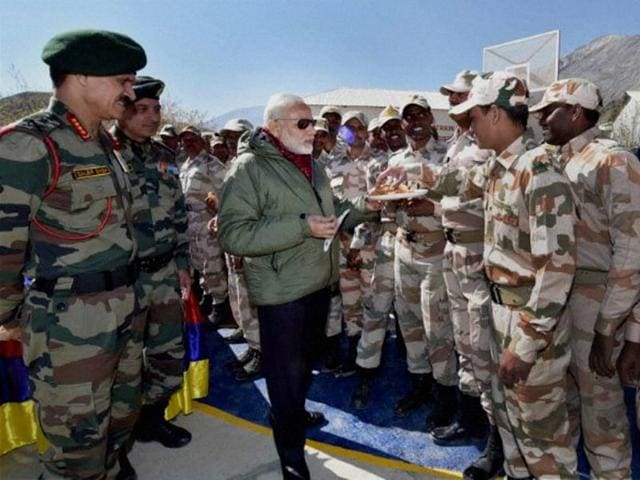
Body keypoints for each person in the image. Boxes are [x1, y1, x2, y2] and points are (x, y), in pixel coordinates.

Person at [380, 72, 579, 479]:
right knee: (511, 430)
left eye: (473, 117)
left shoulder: (538, 172)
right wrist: (412, 175)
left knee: (542, 442)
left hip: (530, 326)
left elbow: (556, 269)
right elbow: (458, 179)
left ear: (494, 114)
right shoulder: (500, 167)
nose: (468, 126)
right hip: (500, 314)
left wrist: (525, 345)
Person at [0, 29, 147, 479]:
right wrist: (9, 314)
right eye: (122, 80)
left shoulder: (102, 141)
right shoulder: (30, 143)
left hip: (123, 306)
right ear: (80, 76)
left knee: (119, 422)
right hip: (70, 323)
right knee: (77, 451)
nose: (130, 91)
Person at [218, 93, 378, 479]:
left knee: (304, 367)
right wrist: (301, 227)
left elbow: (335, 210)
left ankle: (292, 413)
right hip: (282, 294)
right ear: (273, 127)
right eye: (303, 123)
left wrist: (374, 202)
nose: (314, 130)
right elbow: (233, 235)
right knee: (285, 377)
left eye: (315, 124)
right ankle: (292, 459)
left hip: (318, 287)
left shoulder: (313, 166)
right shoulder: (248, 169)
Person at [532, 78, 639, 479]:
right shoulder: (556, 159)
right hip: (559, 300)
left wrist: (610, 327)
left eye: (549, 110)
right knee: (567, 403)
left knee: (603, 415)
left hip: (598, 300)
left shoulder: (612, 161)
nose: (541, 118)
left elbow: (633, 251)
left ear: (576, 112)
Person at [427, 69, 504, 480]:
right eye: (450, 97)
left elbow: (487, 194)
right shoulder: (458, 143)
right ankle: (471, 418)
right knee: (463, 341)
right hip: (452, 250)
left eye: (459, 95)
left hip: (478, 251)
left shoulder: (493, 143)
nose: (453, 102)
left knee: (483, 345)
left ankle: (498, 441)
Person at [112, 76, 193, 457]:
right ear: (122, 110)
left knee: (168, 352)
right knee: (123, 364)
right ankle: (117, 445)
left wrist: (182, 264)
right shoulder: (102, 153)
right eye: (141, 109)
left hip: (163, 274)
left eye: (156, 109)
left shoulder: (165, 155)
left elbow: (178, 215)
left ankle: (153, 419)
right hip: (121, 279)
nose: (151, 117)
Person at [388, 95, 458, 434]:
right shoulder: (396, 159)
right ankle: (420, 385)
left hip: (436, 254)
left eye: (420, 114)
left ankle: (446, 397)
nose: (414, 121)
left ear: (431, 118)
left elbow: (466, 204)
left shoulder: (449, 156)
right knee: (410, 322)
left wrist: (433, 209)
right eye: (408, 116)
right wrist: (387, 204)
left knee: (437, 328)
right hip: (404, 250)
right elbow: (386, 201)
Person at [351, 105, 406, 409]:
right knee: (375, 310)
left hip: (420, 246)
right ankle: (365, 373)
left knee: (417, 319)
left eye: (395, 126)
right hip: (385, 244)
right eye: (386, 129)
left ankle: (420, 380)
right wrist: (360, 245)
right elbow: (369, 210)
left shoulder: (429, 159)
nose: (391, 133)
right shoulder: (374, 166)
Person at [325, 111, 376, 377]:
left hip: (369, 248)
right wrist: (345, 242)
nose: (355, 132)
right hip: (341, 246)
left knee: (372, 303)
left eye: (359, 128)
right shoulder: (332, 166)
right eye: (349, 128)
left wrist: (356, 243)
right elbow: (330, 208)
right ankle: (355, 355)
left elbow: (377, 209)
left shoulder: (377, 164)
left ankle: (370, 363)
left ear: (366, 132)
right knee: (349, 304)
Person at [178, 125, 232, 326]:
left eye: (192, 139)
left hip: (206, 220)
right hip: (190, 221)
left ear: (202, 141)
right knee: (200, 264)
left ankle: (221, 306)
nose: (188, 144)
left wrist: (219, 211)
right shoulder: (186, 165)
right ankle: (208, 299)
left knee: (213, 264)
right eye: (184, 140)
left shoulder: (212, 164)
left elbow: (228, 192)